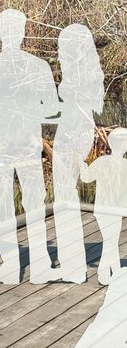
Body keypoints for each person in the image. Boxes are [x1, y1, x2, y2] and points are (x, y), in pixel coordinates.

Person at [0, 9, 59, 284]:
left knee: (3, 207)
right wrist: (28, 112)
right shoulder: (38, 67)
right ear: (22, 32)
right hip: (26, 147)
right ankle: (41, 264)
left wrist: (0, 112)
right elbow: (53, 109)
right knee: (34, 204)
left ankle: (10, 267)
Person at [51, 23, 103, 283]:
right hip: (83, 132)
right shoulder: (94, 72)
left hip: (71, 133)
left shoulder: (77, 74)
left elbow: (69, 101)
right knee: (66, 194)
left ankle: (72, 264)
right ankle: (73, 261)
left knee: (64, 196)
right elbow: (98, 104)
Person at [81, 128, 127, 285]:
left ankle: (113, 271)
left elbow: (86, 178)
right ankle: (105, 275)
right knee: (110, 241)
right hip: (114, 210)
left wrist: (82, 163)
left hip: (103, 210)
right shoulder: (125, 165)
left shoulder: (102, 162)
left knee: (111, 241)